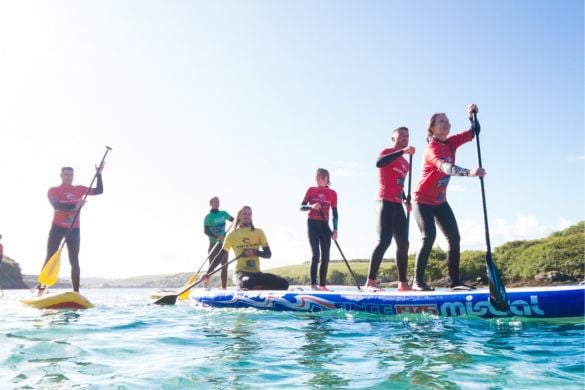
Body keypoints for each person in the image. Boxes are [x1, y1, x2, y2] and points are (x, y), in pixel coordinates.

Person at [412, 104, 484, 291]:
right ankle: (417, 281)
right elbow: (445, 168)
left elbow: (473, 132)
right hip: (422, 200)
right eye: (442, 121)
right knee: (429, 236)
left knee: (454, 237)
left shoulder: (451, 142)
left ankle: (455, 282)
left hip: (440, 201)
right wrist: (470, 172)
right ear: (432, 128)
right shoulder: (432, 149)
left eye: (448, 121)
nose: (447, 123)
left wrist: (471, 116)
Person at [365, 127, 415, 292]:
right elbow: (379, 163)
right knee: (384, 241)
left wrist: (405, 199)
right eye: (401, 135)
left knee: (403, 243)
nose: (404, 138)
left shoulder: (406, 164)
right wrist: (402, 152)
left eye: (407, 136)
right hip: (383, 202)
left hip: (397, 204)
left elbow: (399, 184)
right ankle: (370, 283)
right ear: (393, 138)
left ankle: (402, 284)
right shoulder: (387, 152)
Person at [41, 163, 105, 293]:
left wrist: (99, 174)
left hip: (74, 229)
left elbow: (99, 191)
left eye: (71, 175)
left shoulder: (80, 189)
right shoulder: (53, 190)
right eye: (66, 174)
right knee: (50, 257)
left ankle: (76, 292)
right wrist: (75, 206)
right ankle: (41, 288)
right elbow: (57, 206)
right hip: (57, 227)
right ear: (61, 175)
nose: (69, 177)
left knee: (74, 260)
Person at [203, 206, 288, 290]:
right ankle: (248, 287)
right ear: (239, 216)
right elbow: (220, 255)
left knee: (284, 283)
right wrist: (208, 273)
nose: (247, 216)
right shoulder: (232, 235)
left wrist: (254, 252)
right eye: (244, 214)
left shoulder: (259, 232)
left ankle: (257, 289)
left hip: (257, 273)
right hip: (240, 273)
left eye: (249, 214)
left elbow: (268, 254)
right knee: (248, 282)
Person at [300, 168, 338, 291]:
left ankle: (322, 285)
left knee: (326, 256)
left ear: (326, 179)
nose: (317, 179)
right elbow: (301, 207)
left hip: (325, 225)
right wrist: (312, 206)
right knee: (316, 254)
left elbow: (335, 213)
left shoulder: (333, 193)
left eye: (320, 177)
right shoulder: (311, 190)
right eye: (316, 177)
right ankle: (313, 285)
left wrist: (335, 229)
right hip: (313, 224)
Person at [203, 196, 234, 289]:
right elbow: (206, 231)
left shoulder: (223, 213)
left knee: (224, 266)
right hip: (213, 244)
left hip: (224, 244)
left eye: (218, 202)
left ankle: (224, 288)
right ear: (211, 204)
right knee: (211, 267)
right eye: (215, 202)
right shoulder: (208, 217)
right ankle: (206, 288)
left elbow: (235, 221)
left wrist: (237, 221)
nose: (217, 203)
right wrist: (217, 237)